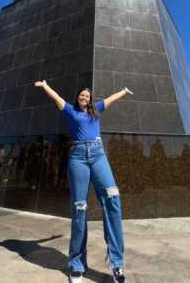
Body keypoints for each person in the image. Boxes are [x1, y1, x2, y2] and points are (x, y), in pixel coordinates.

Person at [34, 80, 133, 283]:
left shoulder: (96, 109)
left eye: (87, 96)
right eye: (82, 95)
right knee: (79, 207)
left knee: (113, 198)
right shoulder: (70, 111)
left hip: (98, 154)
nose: (84, 97)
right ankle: (77, 264)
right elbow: (57, 98)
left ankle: (117, 264)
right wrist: (45, 86)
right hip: (78, 156)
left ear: (90, 100)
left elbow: (110, 99)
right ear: (78, 98)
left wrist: (123, 91)